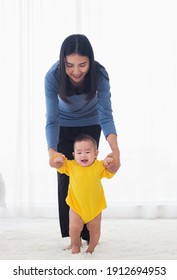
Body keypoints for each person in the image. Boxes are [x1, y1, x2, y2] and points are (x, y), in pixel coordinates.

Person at [44, 34, 121, 245]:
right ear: (63, 62)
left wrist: (116, 150)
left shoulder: (100, 74)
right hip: (63, 127)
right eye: (69, 65)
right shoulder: (53, 76)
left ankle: (89, 233)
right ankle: (72, 236)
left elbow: (106, 114)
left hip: (90, 124)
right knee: (66, 178)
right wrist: (52, 151)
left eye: (82, 64)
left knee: (88, 175)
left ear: (90, 61)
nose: (76, 71)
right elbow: (52, 118)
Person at [53, 134, 116, 254]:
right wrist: (57, 159)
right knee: (74, 228)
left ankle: (91, 249)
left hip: (95, 207)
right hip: (76, 206)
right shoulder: (71, 166)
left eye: (87, 152)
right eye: (79, 152)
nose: (83, 155)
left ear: (96, 154)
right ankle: (75, 245)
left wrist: (109, 162)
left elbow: (110, 171)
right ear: (74, 155)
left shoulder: (99, 166)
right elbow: (58, 165)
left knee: (95, 230)